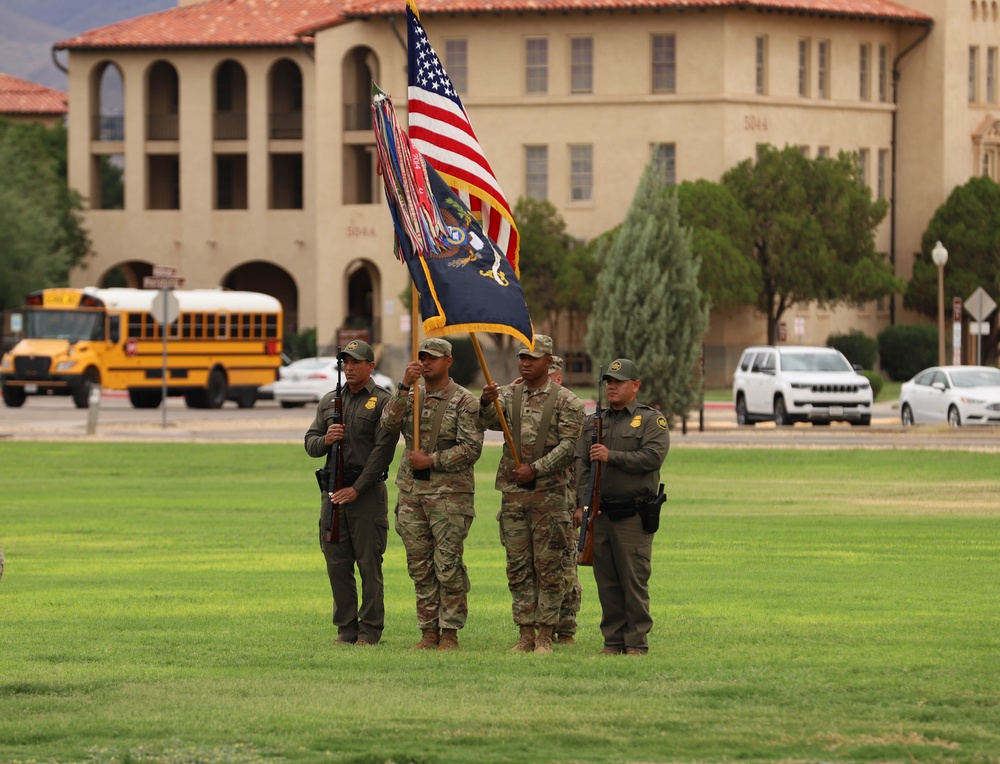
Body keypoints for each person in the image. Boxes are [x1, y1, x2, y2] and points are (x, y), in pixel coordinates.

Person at [480, 335, 584, 654]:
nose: (525, 363)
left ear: (548, 361)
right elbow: (486, 422)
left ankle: (546, 633)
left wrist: (536, 469)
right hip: (513, 496)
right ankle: (525, 632)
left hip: (550, 497)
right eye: (522, 357)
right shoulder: (509, 395)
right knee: (518, 566)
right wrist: (485, 402)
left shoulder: (568, 402)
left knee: (549, 567)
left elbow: (569, 447)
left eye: (532, 358)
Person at [380, 337, 484, 651]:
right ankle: (428, 631)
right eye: (422, 358)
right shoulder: (412, 395)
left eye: (433, 358)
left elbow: (472, 449)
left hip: (450, 496)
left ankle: (450, 632)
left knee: (447, 564)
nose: (426, 363)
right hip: (412, 492)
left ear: (448, 361)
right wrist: (402, 387)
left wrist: (433, 460)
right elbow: (387, 424)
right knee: (419, 565)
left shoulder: (465, 401)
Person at [304, 340, 398, 647]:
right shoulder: (331, 401)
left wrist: (357, 489)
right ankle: (346, 628)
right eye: (345, 361)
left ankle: (370, 630)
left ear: (370, 366)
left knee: (369, 563)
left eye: (356, 362)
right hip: (332, 492)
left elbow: (383, 452)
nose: (349, 367)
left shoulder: (383, 401)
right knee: (336, 561)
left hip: (366, 494)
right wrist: (326, 440)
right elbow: (311, 442)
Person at [575, 358, 669, 656]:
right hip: (600, 514)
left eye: (618, 382)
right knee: (607, 582)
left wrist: (610, 456)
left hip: (633, 515)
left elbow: (652, 458)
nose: (612, 387)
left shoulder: (651, 420)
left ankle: (636, 644)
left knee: (633, 581)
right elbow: (581, 463)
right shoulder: (594, 421)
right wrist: (582, 503)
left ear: (635, 385)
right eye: (608, 382)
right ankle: (613, 642)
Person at [548, 355, 582, 645]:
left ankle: (566, 627)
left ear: (557, 378)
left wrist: (581, 506)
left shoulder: (572, 410)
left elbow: (583, 467)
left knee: (567, 567)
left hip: (568, 501)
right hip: (542, 499)